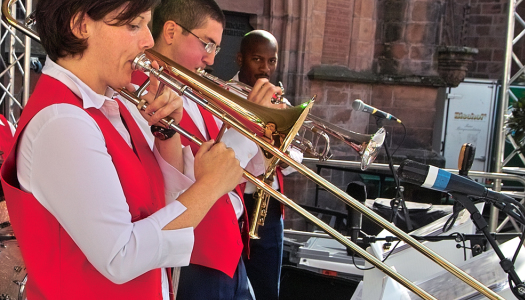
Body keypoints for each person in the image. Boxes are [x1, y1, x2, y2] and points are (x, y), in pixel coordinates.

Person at [0, 0, 243, 299]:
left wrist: (166, 134)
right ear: (80, 25)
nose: (148, 41)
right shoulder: (62, 120)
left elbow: (160, 208)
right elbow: (121, 256)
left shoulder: (109, 106)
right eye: (133, 25)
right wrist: (211, 186)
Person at [135, 1, 285, 299]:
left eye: (215, 48)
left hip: (228, 246)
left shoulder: (197, 92)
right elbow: (188, 181)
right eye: (207, 44)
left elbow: (241, 172)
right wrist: (250, 122)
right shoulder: (143, 91)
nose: (210, 59)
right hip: (193, 254)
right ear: (171, 31)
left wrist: (267, 128)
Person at [236, 29, 303, 300]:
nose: (265, 68)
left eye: (271, 61)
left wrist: (275, 144)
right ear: (240, 59)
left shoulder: (281, 103)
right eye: (257, 59)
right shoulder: (222, 92)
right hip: (234, 204)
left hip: (270, 209)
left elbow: (295, 162)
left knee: (266, 289)